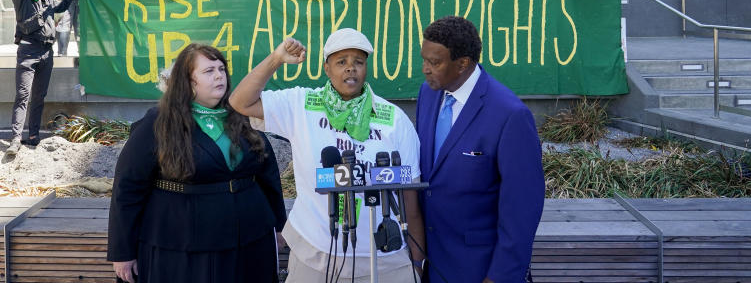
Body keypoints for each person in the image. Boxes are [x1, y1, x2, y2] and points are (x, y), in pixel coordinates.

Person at [230, 30, 427, 283]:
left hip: (385, 256)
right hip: (316, 253)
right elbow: (240, 102)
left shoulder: (394, 118)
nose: (350, 69)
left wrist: (418, 264)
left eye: (358, 62)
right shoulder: (302, 103)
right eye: (341, 62)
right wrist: (276, 59)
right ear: (326, 67)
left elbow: (410, 197)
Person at [108, 43, 287, 283]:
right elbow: (127, 188)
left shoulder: (242, 116)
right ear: (188, 81)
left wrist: (278, 225)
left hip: (249, 240)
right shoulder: (159, 123)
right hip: (183, 248)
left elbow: (268, 175)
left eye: (221, 69)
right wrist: (123, 251)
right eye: (208, 71)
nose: (218, 76)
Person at [416, 16, 544, 283]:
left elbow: (522, 210)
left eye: (434, 62)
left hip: (479, 270)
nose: (425, 69)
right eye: (424, 59)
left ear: (462, 64)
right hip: (431, 266)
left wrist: (501, 277)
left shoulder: (510, 115)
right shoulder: (427, 94)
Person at [7, 0, 85, 156]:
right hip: (27, 51)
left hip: (46, 53)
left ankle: (33, 136)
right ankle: (15, 139)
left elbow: (61, 6)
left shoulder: (47, 0)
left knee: (39, 96)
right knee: (23, 95)